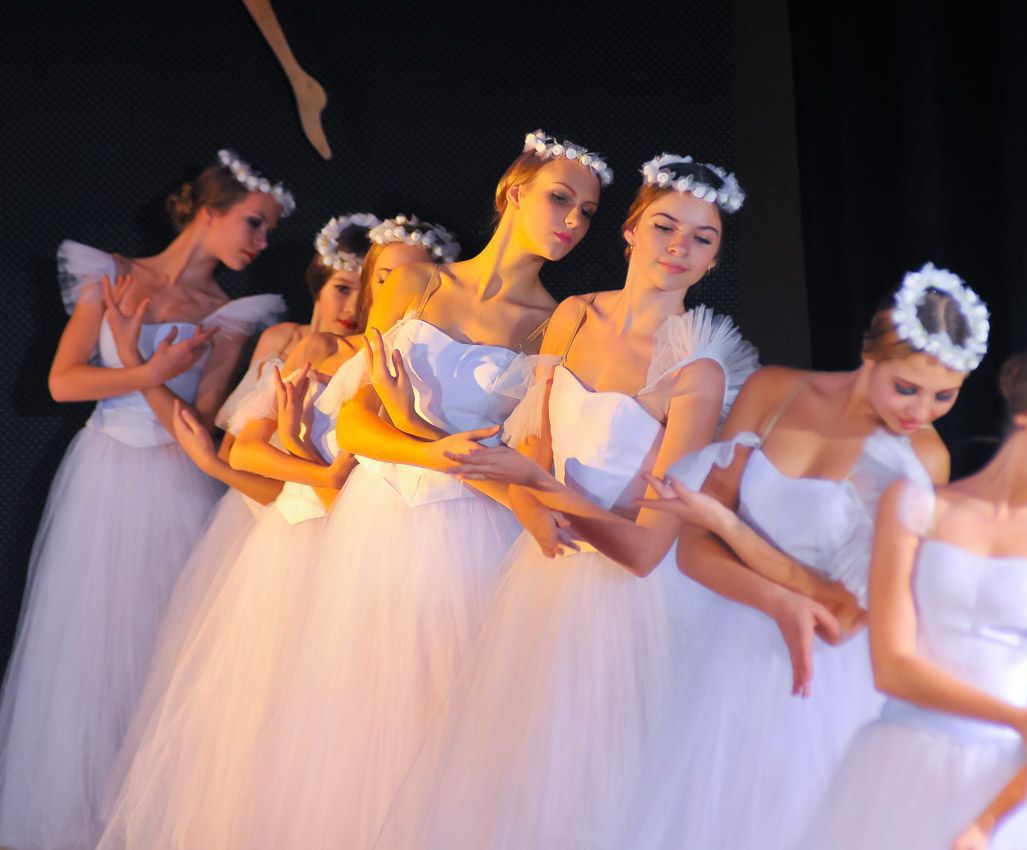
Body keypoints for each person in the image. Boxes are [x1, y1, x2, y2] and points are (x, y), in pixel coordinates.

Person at [237, 130, 610, 850]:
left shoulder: (556, 323)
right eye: (560, 198)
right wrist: (427, 445)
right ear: (513, 192)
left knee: (452, 728)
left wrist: (429, 438)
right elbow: (355, 420)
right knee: (354, 720)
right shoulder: (416, 285)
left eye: (588, 212)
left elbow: (524, 456)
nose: (572, 220)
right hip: (378, 520)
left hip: (474, 533)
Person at [375, 153, 758, 850]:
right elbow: (533, 448)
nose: (679, 247)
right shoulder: (573, 317)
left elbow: (645, 551)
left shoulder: (696, 371)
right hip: (542, 585)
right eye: (665, 227)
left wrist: (544, 492)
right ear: (630, 232)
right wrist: (424, 432)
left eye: (701, 239)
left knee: (608, 795)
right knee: (517, 789)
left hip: (628, 604)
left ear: (712, 262)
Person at [94, 213, 453, 850]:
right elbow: (254, 452)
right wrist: (306, 463)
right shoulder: (320, 351)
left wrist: (315, 465)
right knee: (270, 719)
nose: (398, 290)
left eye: (418, 278)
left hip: (372, 555)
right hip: (297, 543)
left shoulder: (422, 368)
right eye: (386, 277)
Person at [617, 263, 990, 850]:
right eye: (907, 388)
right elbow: (693, 548)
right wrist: (777, 601)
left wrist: (729, 529)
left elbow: (849, 613)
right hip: (729, 654)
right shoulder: (775, 391)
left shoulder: (923, 460)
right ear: (870, 355)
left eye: (945, 396)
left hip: (829, 677)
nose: (921, 412)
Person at [0, 149, 289, 849]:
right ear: (210, 211)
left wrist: (142, 366)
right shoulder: (113, 277)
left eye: (268, 232)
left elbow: (200, 422)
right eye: (253, 223)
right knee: (85, 639)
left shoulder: (225, 313)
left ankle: (143, 816)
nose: (260, 243)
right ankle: (72, 815)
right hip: (103, 471)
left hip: (172, 479)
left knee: (162, 641)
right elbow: (63, 382)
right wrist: (146, 368)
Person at [802, 310, 1027, 849]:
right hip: (898, 771)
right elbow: (891, 667)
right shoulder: (916, 505)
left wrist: (985, 825)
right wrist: (1019, 718)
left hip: (1015, 795)